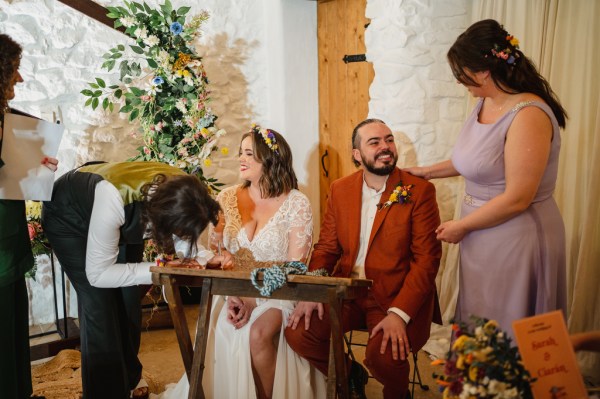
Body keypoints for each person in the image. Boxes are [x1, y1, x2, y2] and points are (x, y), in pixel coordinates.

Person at [405, 19, 568, 332]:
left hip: (517, 237)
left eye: (461, 72)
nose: (458, 81)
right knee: (483, 319)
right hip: (482, 235)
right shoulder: (484, 101)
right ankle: (480, 379)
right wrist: (426, 172)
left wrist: (462, 226)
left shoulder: (528, 114)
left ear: (483, 70)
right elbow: (477, 161)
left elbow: (518, 197)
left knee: (510, 323)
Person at [159, 125, 325, 399]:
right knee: (226, 327)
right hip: (232, 289)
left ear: (271, 160)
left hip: (280, 291)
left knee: (258, 333)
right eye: (241, 152)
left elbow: (296, 266)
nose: (241, 159)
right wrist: (236, 292)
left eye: (249, 153)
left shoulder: (297, 203)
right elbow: (217, 255)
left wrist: (253, 299)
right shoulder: (225, 197)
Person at [42, 162, 228, 399]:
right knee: (99, 303)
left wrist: (204, 258)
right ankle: (106, 392)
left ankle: (130, 378)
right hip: (68, 217)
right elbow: (98, 274)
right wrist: (159, 267)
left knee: (129, 299)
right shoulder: (113, 199)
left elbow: (184, 236)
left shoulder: (189, 193)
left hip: (121, 215)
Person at [285, 119, 442, 399]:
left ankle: (397, 393)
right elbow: (327, 248)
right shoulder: (340, 189)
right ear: (357, 154)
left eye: (389, 140)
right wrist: (311, 289)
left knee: (383, 354)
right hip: (347, 291)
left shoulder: (419, 192)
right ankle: (349, 373)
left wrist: (399, 313)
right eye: (375, 142)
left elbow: (426, 261)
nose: (385, 147)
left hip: (395, 295)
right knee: (299, 333)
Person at [0, 33, 58, 399]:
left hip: (10, 232)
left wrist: (37, 166)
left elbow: (12, 178)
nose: (19, 79)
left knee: (13, 326)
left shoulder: (7, 117)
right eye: (15, 70)